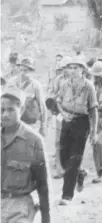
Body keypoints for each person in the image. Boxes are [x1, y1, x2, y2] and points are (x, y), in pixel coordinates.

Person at [1, 86, 51, 223]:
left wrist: (46, 218)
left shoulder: (33, 140)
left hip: (20, 206)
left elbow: (43, 183)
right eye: (1, 110)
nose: (5, 114)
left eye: (11, 110)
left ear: (21, 110)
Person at [56, 56, 98, 205]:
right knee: (63, 158)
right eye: (70, 68)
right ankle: (80, 174)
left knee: (74, 159)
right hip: (67, 121)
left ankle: (66, 195)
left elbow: (93, 110)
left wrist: (93, 132)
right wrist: (62, 113)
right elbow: (58, 101)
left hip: (82, 122)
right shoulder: (64, 84)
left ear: (82, 70)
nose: (72, 71)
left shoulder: (89, 86)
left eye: (76, 68)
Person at [8, 57, 47, 137]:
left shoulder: (35, 85)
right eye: (21, 69)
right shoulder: (11, 82)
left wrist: (43, 126)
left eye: (25, 70)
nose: (22, 73)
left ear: (30, 71)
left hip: (28, 121)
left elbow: (42, 105)